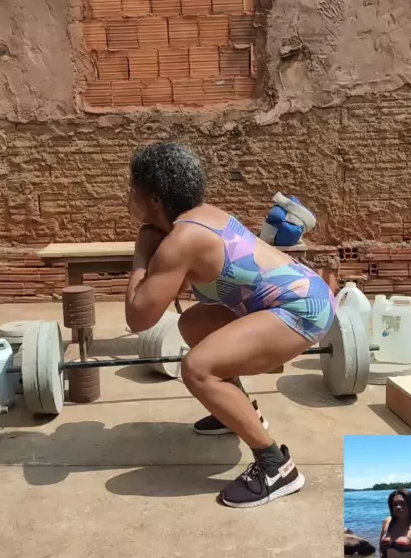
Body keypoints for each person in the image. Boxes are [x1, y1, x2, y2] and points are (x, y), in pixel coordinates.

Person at [125, 142, 336, 509]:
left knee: (198, 369)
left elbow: (138, 318)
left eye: (132, 190)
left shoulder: (180, 240)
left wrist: (143, 252)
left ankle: (276, 467)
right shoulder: (205, 215)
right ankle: (237, 412)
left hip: (302, 309)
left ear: (155, 199)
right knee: (193, 323)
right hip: (304, 293)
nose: (127, 198)